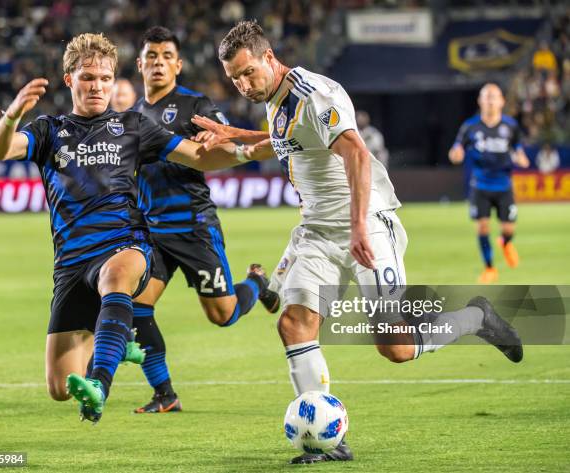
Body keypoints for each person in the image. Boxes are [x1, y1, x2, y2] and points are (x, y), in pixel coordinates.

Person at [193, 21, 524, 464]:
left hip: (363, 224)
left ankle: (476, 317)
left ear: (268, 58)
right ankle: (325, 439)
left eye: (248, 72)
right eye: (235, 78)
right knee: (293, 324)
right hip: (316, 232)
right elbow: (288, 141)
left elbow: (356, 153)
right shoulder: (276, 100)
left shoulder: (315, 93)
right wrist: (242, 138)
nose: (243, 84)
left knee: (396, 348)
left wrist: (358, 228)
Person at [0, 32, 265, 424]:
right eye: (87, 78)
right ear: (70, 80)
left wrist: (265, 145)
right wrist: (13, 113)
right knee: (60, 388)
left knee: (120, 281)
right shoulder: (48, 130)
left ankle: (102, 383)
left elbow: (200, 158)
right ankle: (121, 345)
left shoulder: (132, 126)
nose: (97, 86)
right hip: (71, 264)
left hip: (126, 246)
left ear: (114, 79)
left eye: (104, 78)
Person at [129, 26, 280, 414]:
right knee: (136, 308)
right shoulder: (131, 117)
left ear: (178, 65)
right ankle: (165, 394)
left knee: (223, 315)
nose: (158, 62)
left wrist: (225, 147)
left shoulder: (195, 106)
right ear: (140, 64)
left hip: (193, 227)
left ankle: (257, 283)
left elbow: (225, 147)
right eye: (151, 56)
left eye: (166, 56)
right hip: (152, 232)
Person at [449, 83, 530, 283]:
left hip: (504, 185)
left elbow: (518, 147)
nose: (490, 100)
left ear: (502, 101)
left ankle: (505, 242)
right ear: (480, 101)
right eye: (486, 96)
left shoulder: (510, 126)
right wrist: (455, 154)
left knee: (508, 228)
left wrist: (521, 157)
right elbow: (456, 150)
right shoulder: (470, 126)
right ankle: (490, 268)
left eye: (494, 96)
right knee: (482, 227)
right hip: (480, 186)